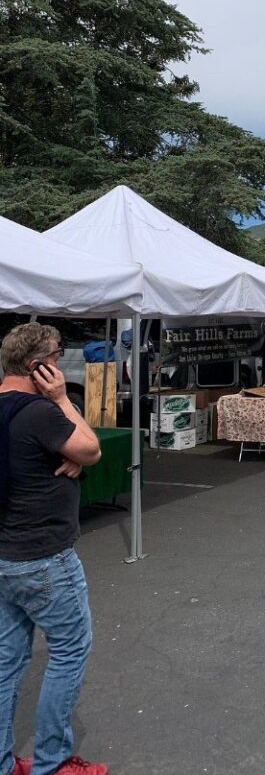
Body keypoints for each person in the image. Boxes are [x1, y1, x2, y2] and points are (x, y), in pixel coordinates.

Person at [0, 323, 108, 775]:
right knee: (68, 650)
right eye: (57, 353)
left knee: (7, 660)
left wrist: (61, 457)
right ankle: (53, 761)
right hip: (43, 555)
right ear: (38, 366)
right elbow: (91, 448)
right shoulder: (41, 412)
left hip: (5, 555)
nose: (62, 358)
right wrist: (63, 399)